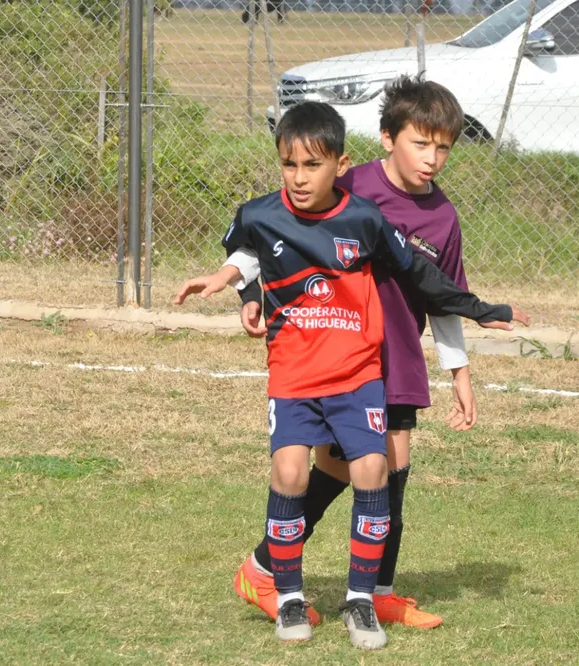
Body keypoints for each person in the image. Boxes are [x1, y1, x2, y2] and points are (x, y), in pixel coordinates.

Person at [173, 101, 525, 649]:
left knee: (379, 469)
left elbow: (427, 279)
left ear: (338, 163)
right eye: (419, 143)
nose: (299, 176)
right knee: (306, 471)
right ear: (388, 140)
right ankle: (280, 582)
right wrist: (240, 290)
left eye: (443, 148)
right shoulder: (302, 198)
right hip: (304, 365)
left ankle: (367, 596)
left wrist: (478, 318)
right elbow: (249, 247)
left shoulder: (402, 218)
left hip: (378, 361)